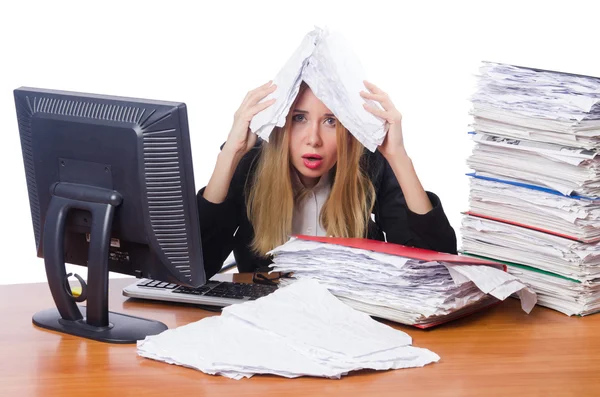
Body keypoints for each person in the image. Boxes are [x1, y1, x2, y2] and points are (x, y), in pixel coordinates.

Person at [197, 80, 457, 278]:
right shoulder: (251, 163)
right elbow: (195, 269)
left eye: (331, 121)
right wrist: (230, 154)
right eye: (299, 118)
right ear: (280, 123)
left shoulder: (368, 163)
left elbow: (438, 270)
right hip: (268, 322)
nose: (314, 138)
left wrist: (398, 156)